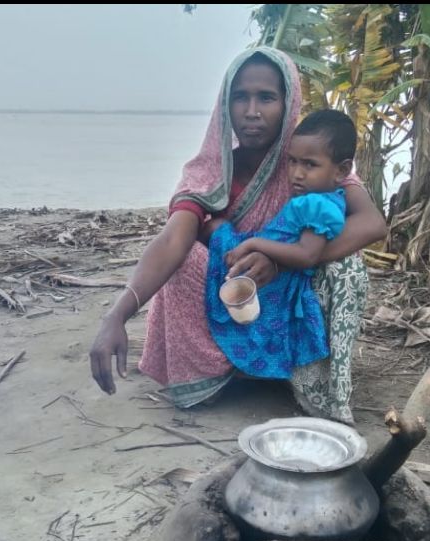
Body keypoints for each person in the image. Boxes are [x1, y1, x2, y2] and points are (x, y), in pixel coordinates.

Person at [88, 46, 385, 424]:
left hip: (287, 281)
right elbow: (171, 240)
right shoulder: (210, 169)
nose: (252, 111)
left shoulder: (307, 159)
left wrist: (279, 258)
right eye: (240, 97)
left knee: (347, 266)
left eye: (266, 97)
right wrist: (117, 315)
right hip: (233, 288)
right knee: (185, 261)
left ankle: (306, 376)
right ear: (224, 105)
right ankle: (219, 372)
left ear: (289, 102)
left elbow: (371, 223)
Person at [204, 109, 358, 382]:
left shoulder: (319, 205)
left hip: (280, 274)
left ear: (342, 171)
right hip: (268, 252)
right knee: (215, 230)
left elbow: (307, 255)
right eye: (292, 162)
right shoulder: (313, 199)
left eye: (309, 164)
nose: (297, 173)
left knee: (218, 234)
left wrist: (254, 243)